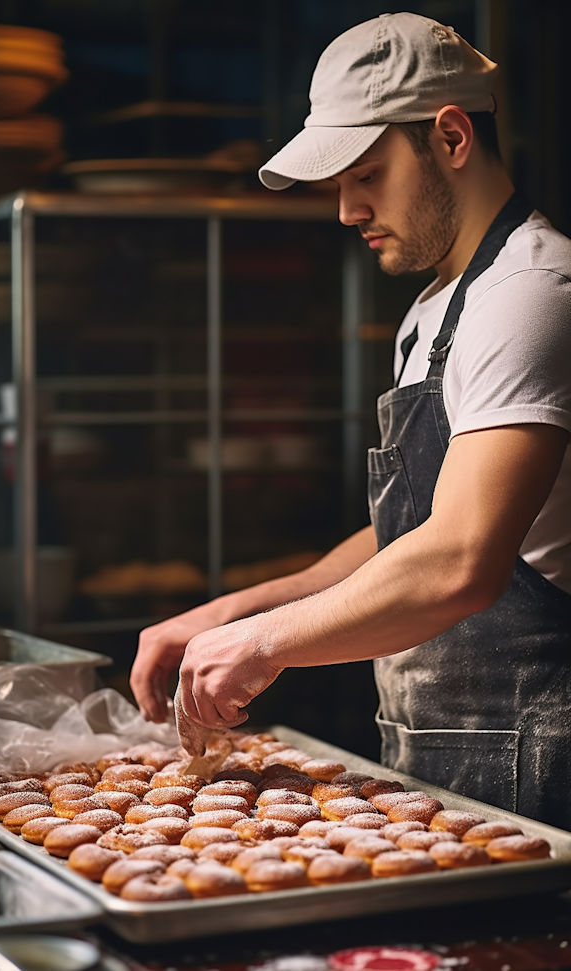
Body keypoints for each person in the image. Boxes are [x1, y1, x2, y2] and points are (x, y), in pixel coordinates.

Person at [131, 12, 571, 829]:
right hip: (438, 759)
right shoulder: (437, 309)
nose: (344, 210)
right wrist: (239, 610)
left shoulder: (530, 295)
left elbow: (462, 559)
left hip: (535, 771)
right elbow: (411, 531)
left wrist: (268, 643)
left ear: (450, 137)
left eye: (366, 173)